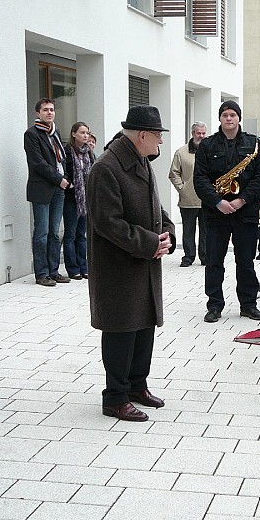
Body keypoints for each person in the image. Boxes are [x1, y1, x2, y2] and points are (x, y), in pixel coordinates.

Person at [86, 105, 176, 422]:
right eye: (157, 137)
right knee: (121, 331)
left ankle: (137, 386)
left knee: (143, 328)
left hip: (142, 262)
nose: (160, 143)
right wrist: (151, 243)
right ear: (141, 135)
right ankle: (115, 397)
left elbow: (156, 206)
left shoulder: (140, 160)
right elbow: (107, 223)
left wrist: (167, 232)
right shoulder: (106, 168)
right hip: (118, 267)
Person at [194, 101, 260, 323]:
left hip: (244, 212)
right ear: (220, 118)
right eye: (225, 115)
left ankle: (248, 305)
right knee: (214, 261)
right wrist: (218, 202)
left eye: (233, 115)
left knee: (245, 261)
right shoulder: (206, 146)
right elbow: (199, 179)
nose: (229, 118)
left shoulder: (253, 144)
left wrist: (241, 200)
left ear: (238, 118)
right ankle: (214, 305)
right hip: (216, 213)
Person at [24, 98, 70, 287]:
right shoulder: (32, 134)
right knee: (41, 232)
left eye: (51, 110)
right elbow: (38, 163)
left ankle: (54, 271)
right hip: (42, 188)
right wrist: (59, 179)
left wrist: (65, 177)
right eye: (45, 110)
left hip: (59, 188)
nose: (49, 113)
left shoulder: (55, 132)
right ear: (38, 113)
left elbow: (61, 159)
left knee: (54, 232)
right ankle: (41, 274)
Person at [169, 121, 208, 267]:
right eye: (199, 133)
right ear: (192, 133)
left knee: (206, 231)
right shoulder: (181, 152)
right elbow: (174, 173)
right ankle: (188, 257)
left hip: (207, 200)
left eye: (204, 133)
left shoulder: (211, 151)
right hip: (188, 199)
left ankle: (205, 257)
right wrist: (182, 189)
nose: (202, 136)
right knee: (188, 230)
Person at [62, 121, 94, 280]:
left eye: (87, 133)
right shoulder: (67, 151)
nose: (85, 135)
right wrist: (69, 183)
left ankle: (84, 267)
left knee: (82, 234)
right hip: (71, 198)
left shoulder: (89, 152)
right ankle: (72, 269)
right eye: (82, 132)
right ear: (74, 134)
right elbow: (63, 171)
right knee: (70, 234)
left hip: (85, 199)